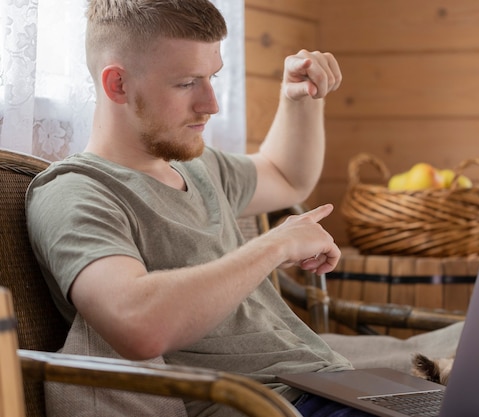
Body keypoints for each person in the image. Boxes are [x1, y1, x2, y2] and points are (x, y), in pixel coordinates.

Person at [26, 1, 377, 416]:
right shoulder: (77, 191)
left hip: (331, 386)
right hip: (267, 406)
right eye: (187, 82)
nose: (211, 103)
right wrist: (273, 246)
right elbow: (136, 323)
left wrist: (299, 98)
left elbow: (286, 176)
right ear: (118, 84)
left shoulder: (197, 164)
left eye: (212, 77)